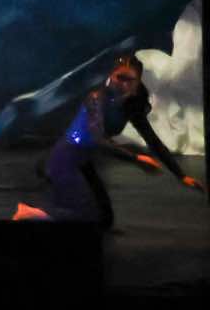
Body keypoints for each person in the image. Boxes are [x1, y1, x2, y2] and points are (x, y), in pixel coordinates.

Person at [15, 54, 204, 225]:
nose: (123, 84)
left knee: (105, 219)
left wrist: (181, 175)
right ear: (110, 77)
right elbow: (98, 139)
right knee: (85, 217)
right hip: (65, 159)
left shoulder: (130, 106)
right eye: (119, 77)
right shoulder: (97, 99)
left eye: (129, 80)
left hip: (84, 160)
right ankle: (31, 213)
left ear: (137, 83)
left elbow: (152, 139)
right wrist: (136, 159)